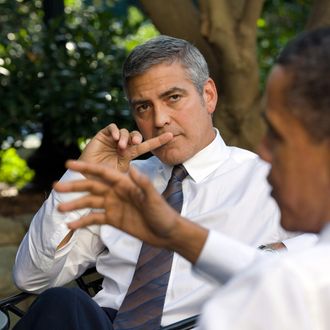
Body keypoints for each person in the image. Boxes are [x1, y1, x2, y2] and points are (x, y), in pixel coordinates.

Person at [13, 35, 312, 329]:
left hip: (204, 323)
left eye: (173, 98)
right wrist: (83, 173)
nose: (159, 120)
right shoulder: (122, 179)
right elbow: (32, 277)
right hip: (109, 322)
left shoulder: (265, 178)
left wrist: (272, 256)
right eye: (143, 107)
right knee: (61, 303)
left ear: (208, 95)